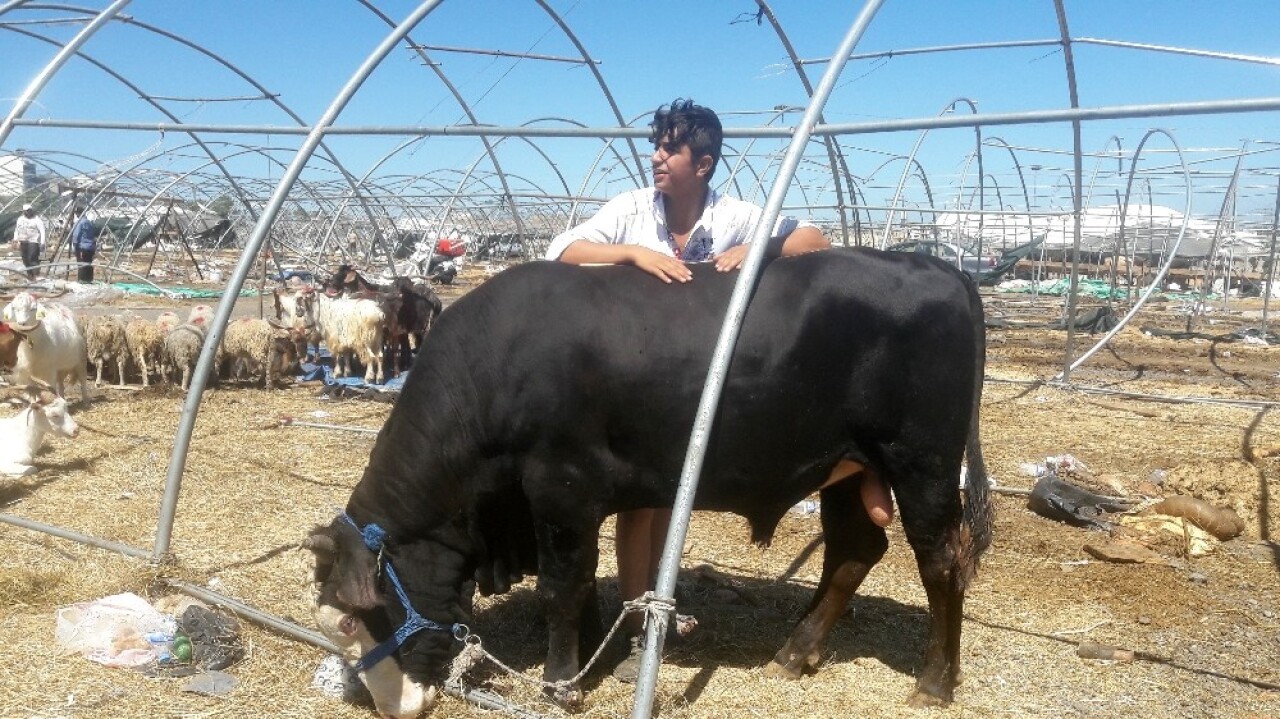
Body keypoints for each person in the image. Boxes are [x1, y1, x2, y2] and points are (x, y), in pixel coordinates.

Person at [545, 98, 832, 682]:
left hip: (705, 380)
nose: (656, 157)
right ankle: (636, 626)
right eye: (657, 145)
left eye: (670, 148)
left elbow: (816, 240)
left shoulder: (736, 216)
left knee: (672, 498)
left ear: (702, 164)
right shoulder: (632, 211)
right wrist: (630, 252)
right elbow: (563, 251)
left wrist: (760, 248)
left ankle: (653, 605)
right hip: (641, 379)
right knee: (639, 501)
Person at [12, 203, 46, 281]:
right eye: (25, 211)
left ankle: (36, 275)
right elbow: (17, 230)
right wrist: (15, 239)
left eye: (28, 211)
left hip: (33, 241)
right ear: (23, 211)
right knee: (25, 259)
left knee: (32, 258)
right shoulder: (20, 219)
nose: (27, 212)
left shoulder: (37, 220)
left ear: (31, 211)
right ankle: (30, 275)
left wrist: (42, 242)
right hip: (22, 241)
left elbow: (42, 231)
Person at [69, 206, 99, 283]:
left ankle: (82, 281)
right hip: (90, 247)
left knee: (81, 264)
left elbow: (76, 235)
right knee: (88, 264)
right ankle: (89, 280)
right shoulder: (89, 222)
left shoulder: (79, 222)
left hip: (82, 247)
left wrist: (74, 247)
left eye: (76, 213)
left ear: (78, 214)